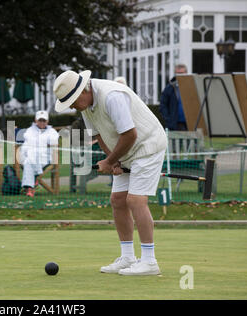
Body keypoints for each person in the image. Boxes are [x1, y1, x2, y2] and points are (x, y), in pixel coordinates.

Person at [53, 70, 167, 276]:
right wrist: (113, 162)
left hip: (147, 145)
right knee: (117, 199)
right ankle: (128, 257)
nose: (70, 107)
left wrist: (110, 160)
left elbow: (130, 134)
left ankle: (149, 262)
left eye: (71, 101)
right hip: (127, 150)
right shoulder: (86, 106)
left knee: (135, 200)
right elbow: (99, 135)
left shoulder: (112, 97)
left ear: (82, 92)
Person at [19, 110, 59, 197]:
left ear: (47, 121)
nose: (42, 122)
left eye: (44, 120)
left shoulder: (52, 131)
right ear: (35, 120)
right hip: (30, 156)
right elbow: (27, 143)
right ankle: (33, 183)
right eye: (40, 120)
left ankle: (29, 188)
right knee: (29, 159)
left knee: (29, 161)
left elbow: (53, 142)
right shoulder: (30, 130)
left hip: (45, 157)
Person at [159, 64, 188, 131]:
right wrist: (169, 119)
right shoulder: (169, 88)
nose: (180, 76)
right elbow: (163, 105)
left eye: (182, 74)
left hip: (190, 124)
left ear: (186, 73)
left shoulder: (192, 87)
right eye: (178, 74)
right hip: (174, 124)